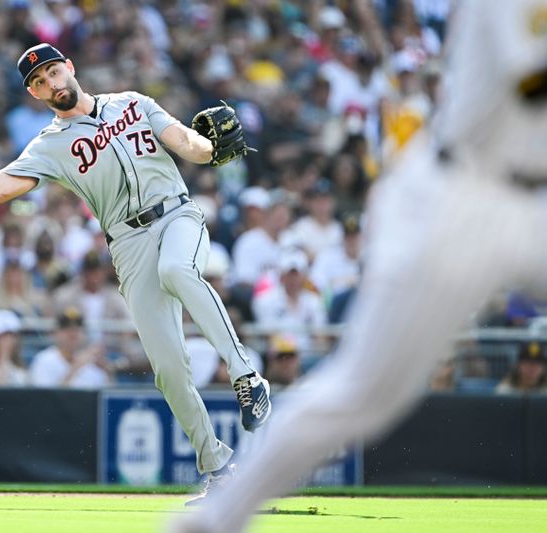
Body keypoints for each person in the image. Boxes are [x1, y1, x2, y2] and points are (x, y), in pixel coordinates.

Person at [170, 2, 547, 531]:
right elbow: (530, 81)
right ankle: (210, 522)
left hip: (532, 208)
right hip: (463, 197)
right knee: (364, 396)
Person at [0, 43, 272, 497]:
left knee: (177, 270)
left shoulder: (133, 102)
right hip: (127, 242)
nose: (50, 84)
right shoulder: (49, 145)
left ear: (69, 67)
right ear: (33, 93)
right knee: (167, 368)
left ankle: (246, 375)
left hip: (177, 215)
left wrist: (211, 148)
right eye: (38, 82)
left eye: (51, 72)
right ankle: (219, 468)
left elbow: (187, 142)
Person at [29, 307, 110, 389]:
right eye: (67, 329)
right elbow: (44, 398)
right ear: (56, 333)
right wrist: (75, 368)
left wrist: (108, 372)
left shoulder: (91, 362)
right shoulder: (44, 360)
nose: (73, 334)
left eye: (77, 329)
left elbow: (104, 396)